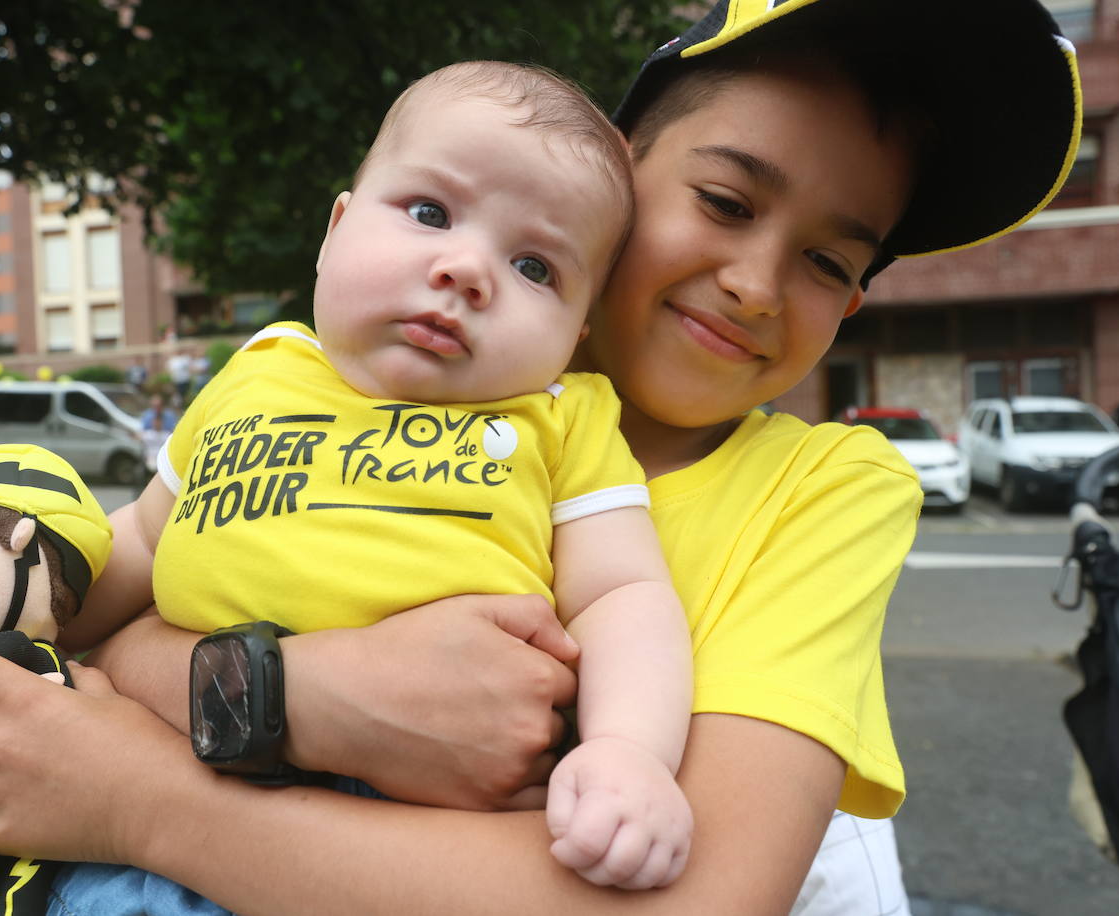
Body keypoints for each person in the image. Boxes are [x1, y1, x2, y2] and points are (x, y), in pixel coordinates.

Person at [0, 1, 1082, 913]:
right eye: (726, 199)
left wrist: (137, 799)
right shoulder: (327, 378)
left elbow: (701, 897)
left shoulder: (823, 488)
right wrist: (296, 697)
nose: (757, 282)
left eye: (834, 264)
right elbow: (130, 580)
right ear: (616, 184)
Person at [53, 61, 691, 908]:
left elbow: (624, 595)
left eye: (536, 266)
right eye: (430, 213)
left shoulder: (561, 417)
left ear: (576, 333)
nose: (468, 270)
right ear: (335, 230)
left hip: (398, 830)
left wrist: (629, 751)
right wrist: (33, 621)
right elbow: (138, 539)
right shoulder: (260, 372)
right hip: (168, 769)